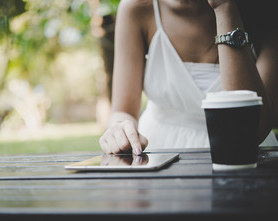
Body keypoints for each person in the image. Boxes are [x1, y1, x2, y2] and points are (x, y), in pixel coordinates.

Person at [99, 0, 278, 155]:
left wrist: (224, 8)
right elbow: (123, 111)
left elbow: (252, 129)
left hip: (245, 161)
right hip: (157, 154)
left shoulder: (265, 12)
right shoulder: (137, 8)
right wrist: (120, 129)